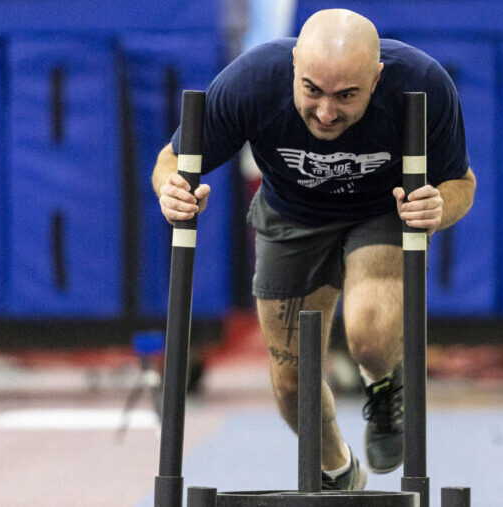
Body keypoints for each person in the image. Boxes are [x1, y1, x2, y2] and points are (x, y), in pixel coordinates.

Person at [152, 8, 476, 491]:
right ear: (295, 66)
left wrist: (437, 207)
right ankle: (341, 472)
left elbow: (460, 184)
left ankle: (386, 384)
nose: (326, 113)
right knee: (290, 386)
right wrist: (169, 189)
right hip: (291, 214)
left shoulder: (422, 82)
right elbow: (172, 160)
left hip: (383, 210)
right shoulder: (253, 79)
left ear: (376, 77)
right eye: (312, 91)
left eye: (347, 96)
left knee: (369, 333)